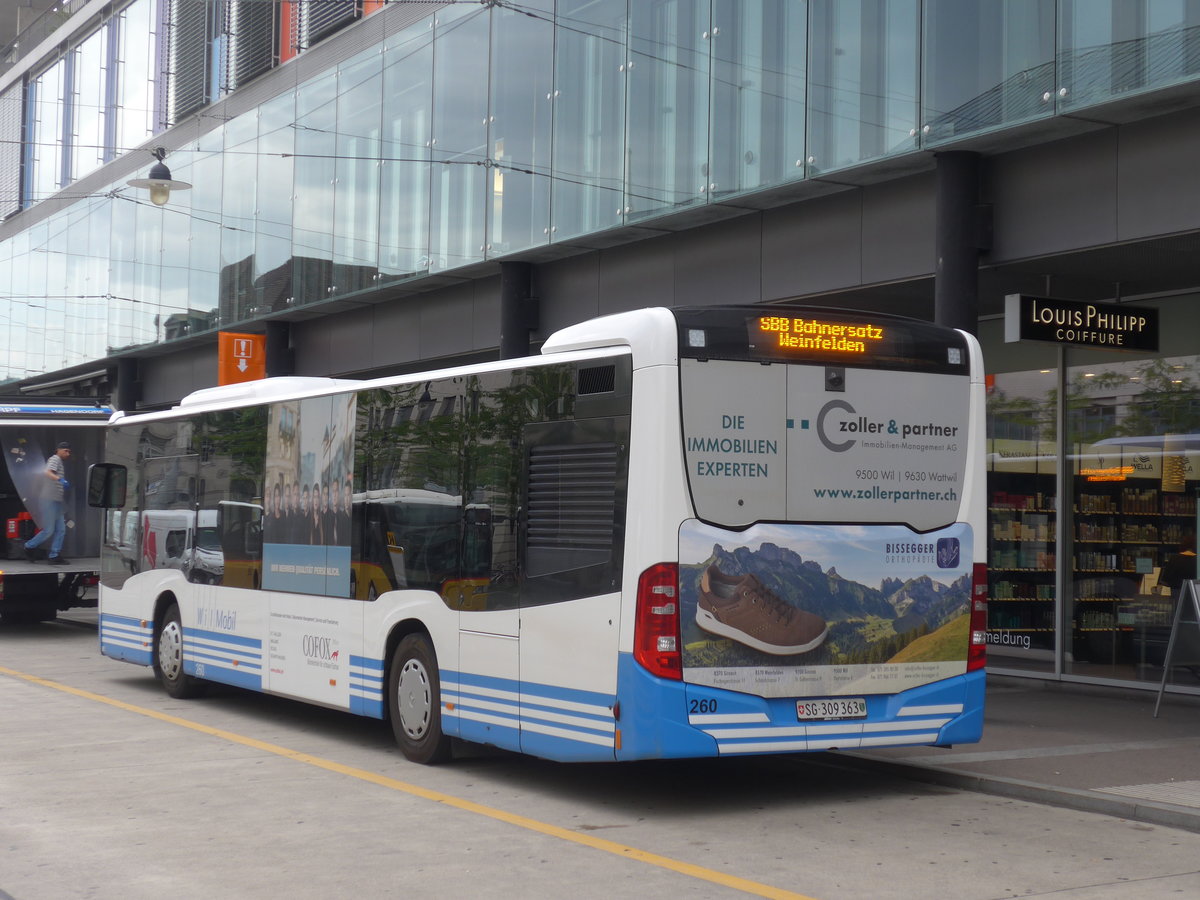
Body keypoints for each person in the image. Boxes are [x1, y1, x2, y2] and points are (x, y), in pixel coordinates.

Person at [25, 442, 72, 565]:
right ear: (58, 450)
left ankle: (54, 555)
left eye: (69, 451)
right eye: (66, 451)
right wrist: (60, 479)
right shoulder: (55, 459)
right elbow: (47, 472)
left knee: (61, 529)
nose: (68, 453)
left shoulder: (59, 461)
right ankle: (29, 546)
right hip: (48, 500)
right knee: (48, 530)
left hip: (56, 500)